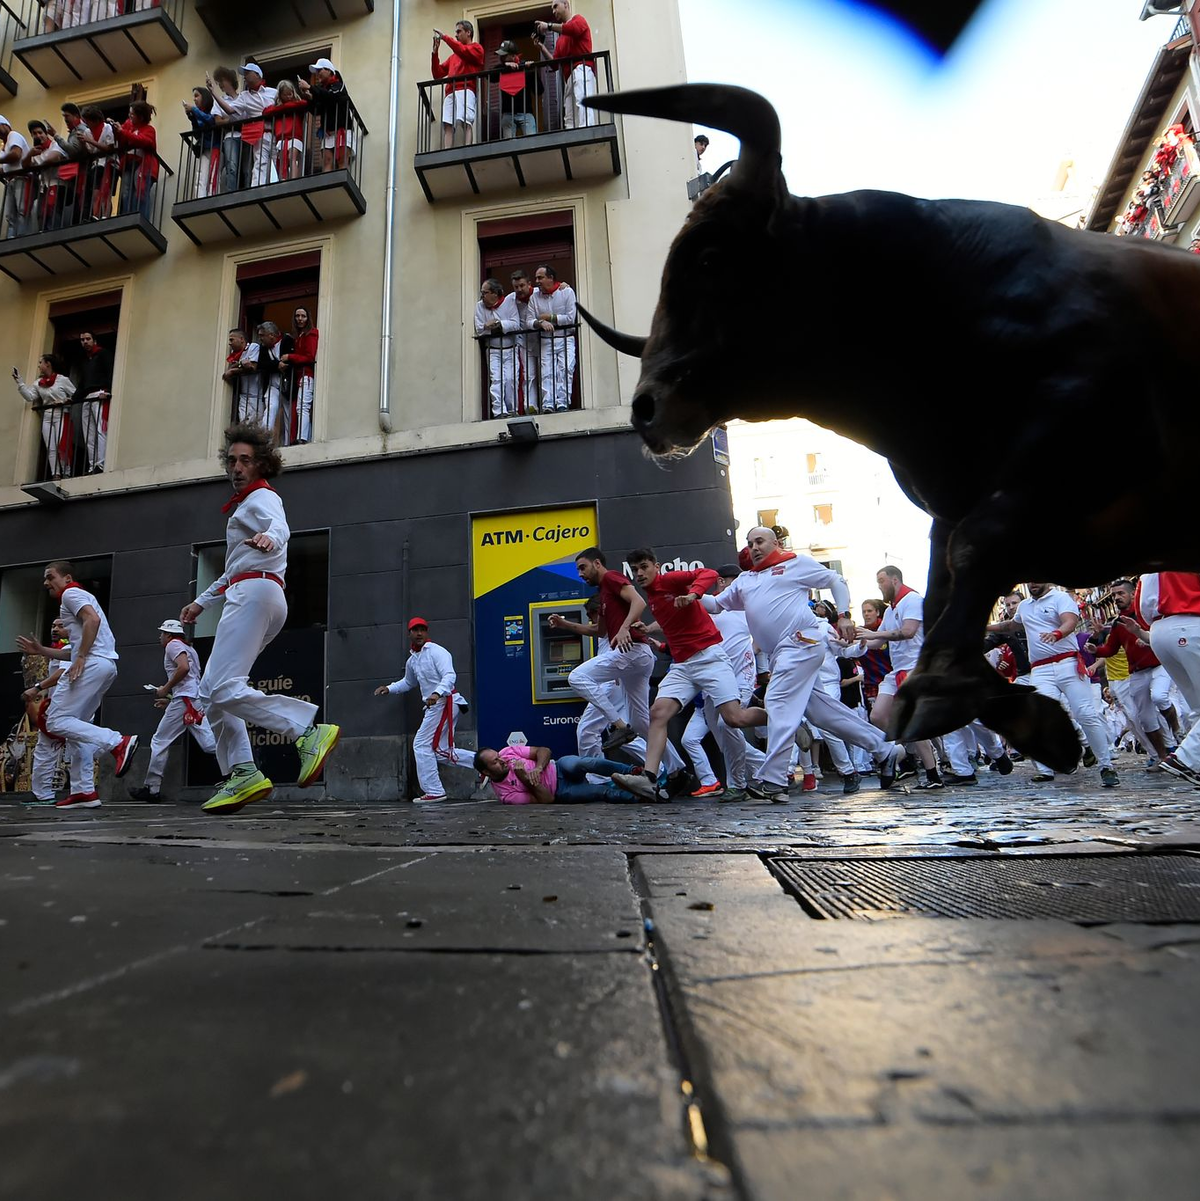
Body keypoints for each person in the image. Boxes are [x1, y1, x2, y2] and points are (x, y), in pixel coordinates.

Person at [180, 423, 340, 813]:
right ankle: (243, 772)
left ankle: (306, 731)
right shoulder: (246, 505)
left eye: (246, 461)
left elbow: (279, 526)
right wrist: (201, 602)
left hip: (254, 594)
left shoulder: (261, 498)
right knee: (212, 692)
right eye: (232, 461)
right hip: (257, 591)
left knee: (221, 688)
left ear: (261, 464)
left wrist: (272, 537)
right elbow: (235, 567)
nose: (237, 467)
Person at [700, 527, 864, 801]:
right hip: (784, 657)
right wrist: (691, 594)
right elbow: (716, 604)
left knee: (777, 703)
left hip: (801, 646)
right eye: (750, 544)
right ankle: (883, 748)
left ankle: (775, 780)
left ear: (776, 543)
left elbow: (835, 580)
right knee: (823, 715)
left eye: (760, 541)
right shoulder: (747, 580)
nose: (754, 548)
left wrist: (844, 615)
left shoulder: (795, 564)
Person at [613, 551, 766, 802]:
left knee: (734, 719)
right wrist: (648, 629)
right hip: (683, 666)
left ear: (656, 567)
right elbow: (672, 622)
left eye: (644, 567)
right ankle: (649, 778)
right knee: (658, 713)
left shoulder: (670, 580)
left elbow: (709, 573)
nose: (639, 573)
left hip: (710, 658)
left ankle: (780, 717)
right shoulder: (652, 597)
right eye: (635, 569)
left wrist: (693, 594)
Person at [16, 560, 139, 809]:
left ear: (67, 578)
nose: (46, 582)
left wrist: (81, 657)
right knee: (76, 730)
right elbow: (73, 649)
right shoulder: (78, 597)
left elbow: (92, 620)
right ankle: (84, 791)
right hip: (103, 665)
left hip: (91, 664)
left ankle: (118, 742)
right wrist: (42, 650)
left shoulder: (70, 594)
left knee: (55, 721)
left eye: (50, 576)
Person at [986, 582, 1119, 788]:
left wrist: (1057, 633)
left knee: (1085, 714)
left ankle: (1106, 766)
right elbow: (1010, 626)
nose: (1033, 583)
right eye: (1030, 580)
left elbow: (1070, 622)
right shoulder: (1025, 606)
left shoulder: (1060, 598)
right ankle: (1046, 768)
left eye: (1037, 579)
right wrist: (982, 626)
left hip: (1068, 662)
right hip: (1040, 669)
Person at [549, 547, 654, 753]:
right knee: (641, 724)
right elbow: (599, 630)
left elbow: (639, 601)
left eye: (583, 568)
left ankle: (620, 727)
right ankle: (675, 767)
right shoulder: (604, 593)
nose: (580, 574)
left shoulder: (611, 577)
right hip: (636, 657)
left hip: (632, 651)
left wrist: (624, 628)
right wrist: (564, 624)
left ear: (597, 563)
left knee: (577, 677)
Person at [854, 565, 944, 789]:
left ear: (895, 580)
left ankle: (932, 774)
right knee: (878, 716)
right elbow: (877, 643)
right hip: (897, 671)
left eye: (881, 581)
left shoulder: (912, 599)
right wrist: (854, 643)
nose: (879, 586)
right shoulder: (889, 610)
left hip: (915, 668)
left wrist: (873, 634)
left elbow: (908, 632)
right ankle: (909, 758)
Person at [375, 618, 469, 802]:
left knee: (421, 744)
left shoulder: (437, 651)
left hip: (444, 702)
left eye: (422, 630)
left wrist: (436, 693)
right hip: (437, 705)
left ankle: (435, 791)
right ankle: (484, 763)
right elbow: (408, 682)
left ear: (427, 632)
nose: (419, 633)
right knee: (441, 751)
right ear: (409, 634)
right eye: (415, 630)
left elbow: (449, 675)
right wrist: (389, 688)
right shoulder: (412, 660)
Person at [1086, 579, 1173, 768]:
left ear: (1133, 594)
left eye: (1121, 593)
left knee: (1159, 697)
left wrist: (1147, 638)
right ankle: (1161, 757)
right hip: (1137, 673)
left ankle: (1176, 739)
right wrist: (1096, 649)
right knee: (1145, 719)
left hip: (1159, 665)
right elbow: (1110, 649)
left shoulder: (1146, 613)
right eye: (1114, 595)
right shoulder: (1117, 624)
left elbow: (1163, 631)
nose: (1117, 598)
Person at [128, 620, 218, 803]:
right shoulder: (188, 648)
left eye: (162, 633)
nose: (160, 636)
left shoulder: (173, 645)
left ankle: (152, 789)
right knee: (208, 743)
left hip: (185, 700)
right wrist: (170, 699)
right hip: (192, 699)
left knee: (160, 740)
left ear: (169, 635)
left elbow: (183, 668)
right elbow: (190, 677)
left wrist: (166, 689)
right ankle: (242, 760)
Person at [1126, 573, 1200, 785]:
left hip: (1160, 632)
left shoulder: (1150, 570)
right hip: (1191, 624)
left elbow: (1142, 610)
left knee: (1197, 707)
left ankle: (1195, 763)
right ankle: (1185, 758)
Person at [476, 744, 639, 803]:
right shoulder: (506, 795)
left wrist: (538, 768)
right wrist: (525, 779)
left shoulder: (507, 752)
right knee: (601, 792)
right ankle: (640, 797)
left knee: (584, 763)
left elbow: (544, 750)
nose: (502, 760)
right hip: (560, 791)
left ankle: (633, 771)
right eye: (495, 762)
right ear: (486, 772)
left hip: (558, 767)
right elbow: (547, 799)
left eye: (498, 756)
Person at [209, 63, 277, 191]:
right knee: (259, 163)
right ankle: (257, 191)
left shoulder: (273, 92)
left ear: (257, 75)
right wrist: (213, 93)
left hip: (277, 133)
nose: (245, 76)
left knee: (278, 160)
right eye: (244, 74)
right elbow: (229, 110)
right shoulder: (244, 96)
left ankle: (283, 185)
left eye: (247, 73)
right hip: (259, 135)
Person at [534, 0, 597, 130]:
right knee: (569, 115)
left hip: (582, 69)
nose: (553, 11)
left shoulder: (578, 19)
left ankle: (587, 132)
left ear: (566, 4)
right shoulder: (561, 39)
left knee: (583, 105)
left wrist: (549, 26)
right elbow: (555, 64)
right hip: (568, 78)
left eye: (555, 6)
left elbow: (573, 29)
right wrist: (542, 47)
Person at [14, 354, 76, 478]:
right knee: (50, 447)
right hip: (47, 416)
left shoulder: (62, 380)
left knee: (61, 445)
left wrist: (64, 401)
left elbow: (75, 395)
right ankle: (55, 473)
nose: (39, 365)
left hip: (60, 414)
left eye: (40, 362)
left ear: (48, 364)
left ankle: (66, 472)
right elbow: (30, 397)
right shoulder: (39, 383)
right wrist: (19, 382)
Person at [528, 264, 577, 412]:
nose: (537, 281)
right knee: (546, 372)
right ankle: (548, 404)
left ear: (551, 278)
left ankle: (562, 403)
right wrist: (540, 322)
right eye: (536, 278)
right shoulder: (534, 297)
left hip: (565, 338)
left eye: (540, 277)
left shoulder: (566, 292)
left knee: (565, 369)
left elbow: (570, 318)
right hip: (546, 340)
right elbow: (529, 320)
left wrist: (551, 317)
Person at [432, 22, 484, 148]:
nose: (456, 35)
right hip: (450, 92)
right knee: (448, 124)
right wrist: (435, 53)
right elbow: (437, 74)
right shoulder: (453, 57)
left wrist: (445, 37)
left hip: (466, 89)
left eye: (459, 31)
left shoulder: (477, 48)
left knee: (466, 121)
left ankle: (468, 149)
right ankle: (447, 151)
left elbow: (462, 50)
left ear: (468, 32)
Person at [474, 278, 520, 418]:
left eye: (485, 293)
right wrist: (487, 326)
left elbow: (515, 324)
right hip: (493, 349)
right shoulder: (480, 306)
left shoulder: (508, 302)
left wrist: (499, 324)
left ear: (495, 293)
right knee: (497, 380)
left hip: (510, 348)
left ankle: (512, 410)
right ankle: (499, 411)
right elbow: (479, 329)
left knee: (511, 380)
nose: (482, 296)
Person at [298, 58, 352, 172]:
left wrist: (310, 87)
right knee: (327, 161)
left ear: (329, 70)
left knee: (342, 161)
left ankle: (341, 181)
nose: (317, 74)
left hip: (342, 129)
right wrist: (310, 99)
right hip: (328, 131)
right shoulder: (322, 91)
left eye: (319, 70)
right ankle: (328, 182)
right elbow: (316, 111)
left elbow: (332, 96)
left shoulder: (338, 84)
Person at [75, 330, 113, 474]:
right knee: (89, 434)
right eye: (82, 340)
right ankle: (92, 465)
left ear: (94, 340)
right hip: (87, 397)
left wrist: (107, 391)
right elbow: (82, 383)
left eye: (88, 339)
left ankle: (101, 464)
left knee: (100, 430)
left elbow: (110, 372)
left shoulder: (103, 354)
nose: (85, 342)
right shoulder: (84, 360)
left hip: (99, 394)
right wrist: (73, 398)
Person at [113, 101, 158, 219]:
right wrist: (115, 129)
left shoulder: (149, 130)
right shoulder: (128, 125)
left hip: (143, 165)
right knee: (126, 192)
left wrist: (123, 132)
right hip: (129, 163)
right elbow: (121, 137)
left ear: (141, 117)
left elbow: (143, 141)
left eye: (132, 114)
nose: (130, 116)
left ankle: (140, 218)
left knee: (140, 191)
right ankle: (127, 217)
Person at [280, 306, 318, 444]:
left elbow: (310, 357)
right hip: (301, 376)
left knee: (302, 407)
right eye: (297, 316)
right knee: (300, 407)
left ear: (308, 318)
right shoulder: (299, 336)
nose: (300, 319)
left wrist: (290, 357)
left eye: (303, 316)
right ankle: (301, 436)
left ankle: (302, 438)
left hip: (307, 375)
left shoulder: (311, 333)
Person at [254, 321, 293, 440]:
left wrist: (284, 365)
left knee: (288, 414)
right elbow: (261, 364)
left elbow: (292, 359)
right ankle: (264, 438)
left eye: (262, 335)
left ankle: (287, 442)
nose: (260, 339)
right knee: (271, 408)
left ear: (271, 335)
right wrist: (277, 365)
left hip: (287, 384)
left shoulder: (287, 340)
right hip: (272, 385)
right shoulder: (263, 347)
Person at [264, 80, 308, 182]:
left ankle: (293, 181)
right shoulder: (277, 107)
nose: (288, 97)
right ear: (280, 95)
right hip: (281, 138)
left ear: (293, 92)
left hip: (295, 136)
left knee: (292, 157)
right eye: (285, 95)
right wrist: (283, 108)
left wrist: (282, 108)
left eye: (290, 94)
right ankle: (283, 181)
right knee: (282, 160)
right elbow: (265, 112)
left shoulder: (297, 104)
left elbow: (304, 103)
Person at [182, 86, 221, 199]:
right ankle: (200, 199)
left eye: (196, 96)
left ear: (205, 97)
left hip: (215, 148)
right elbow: (197, 134)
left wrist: (194, 110)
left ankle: (212, 199)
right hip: (205, 149)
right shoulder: (199, 114)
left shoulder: (214, 110)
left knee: (213, 176)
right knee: (200, 176)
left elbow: (210, 120)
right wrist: (192, 118)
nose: (194, 99)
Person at [509, 269, 538, 411]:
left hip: (543, 340)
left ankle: (549, 403)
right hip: (525, 343)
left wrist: (564, 286)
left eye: (522, 285)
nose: (519, 289)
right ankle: (531, 406)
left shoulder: (539, 293)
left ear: (529, 283)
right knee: (528, 375)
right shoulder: (511, 299)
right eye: (516, 287)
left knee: (548, 372)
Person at [496, 40, 538, 138]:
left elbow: (539, 90)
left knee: (532, 142)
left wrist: (532, 71)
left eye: (504, 56)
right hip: (508, 114)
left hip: (526, 113)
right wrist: (505, 66)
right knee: (509, 144)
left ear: (513, 56)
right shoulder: (502, 68)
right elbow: (490, 77)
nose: (501, 58)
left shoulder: (524, 66)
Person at [0, 115, 30, 238]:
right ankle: (11, 238)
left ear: (5, 125)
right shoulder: (5, 145)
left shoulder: (13, 135)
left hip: (21, 179)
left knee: (21, 210)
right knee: (10, 215)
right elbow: (5, 167)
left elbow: (16, 155)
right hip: (11, 181)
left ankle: (21, 237)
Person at [222, 329, 261, 423]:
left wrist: (233, 370)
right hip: (244, 395)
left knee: (257, 424)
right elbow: (234, 366)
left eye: (232, 340)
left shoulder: (253, 347)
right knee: (244, 423)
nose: (229, 343)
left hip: (256, 395)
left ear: (241, 339)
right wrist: (240, 365)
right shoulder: (234, 353)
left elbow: (252, 367)